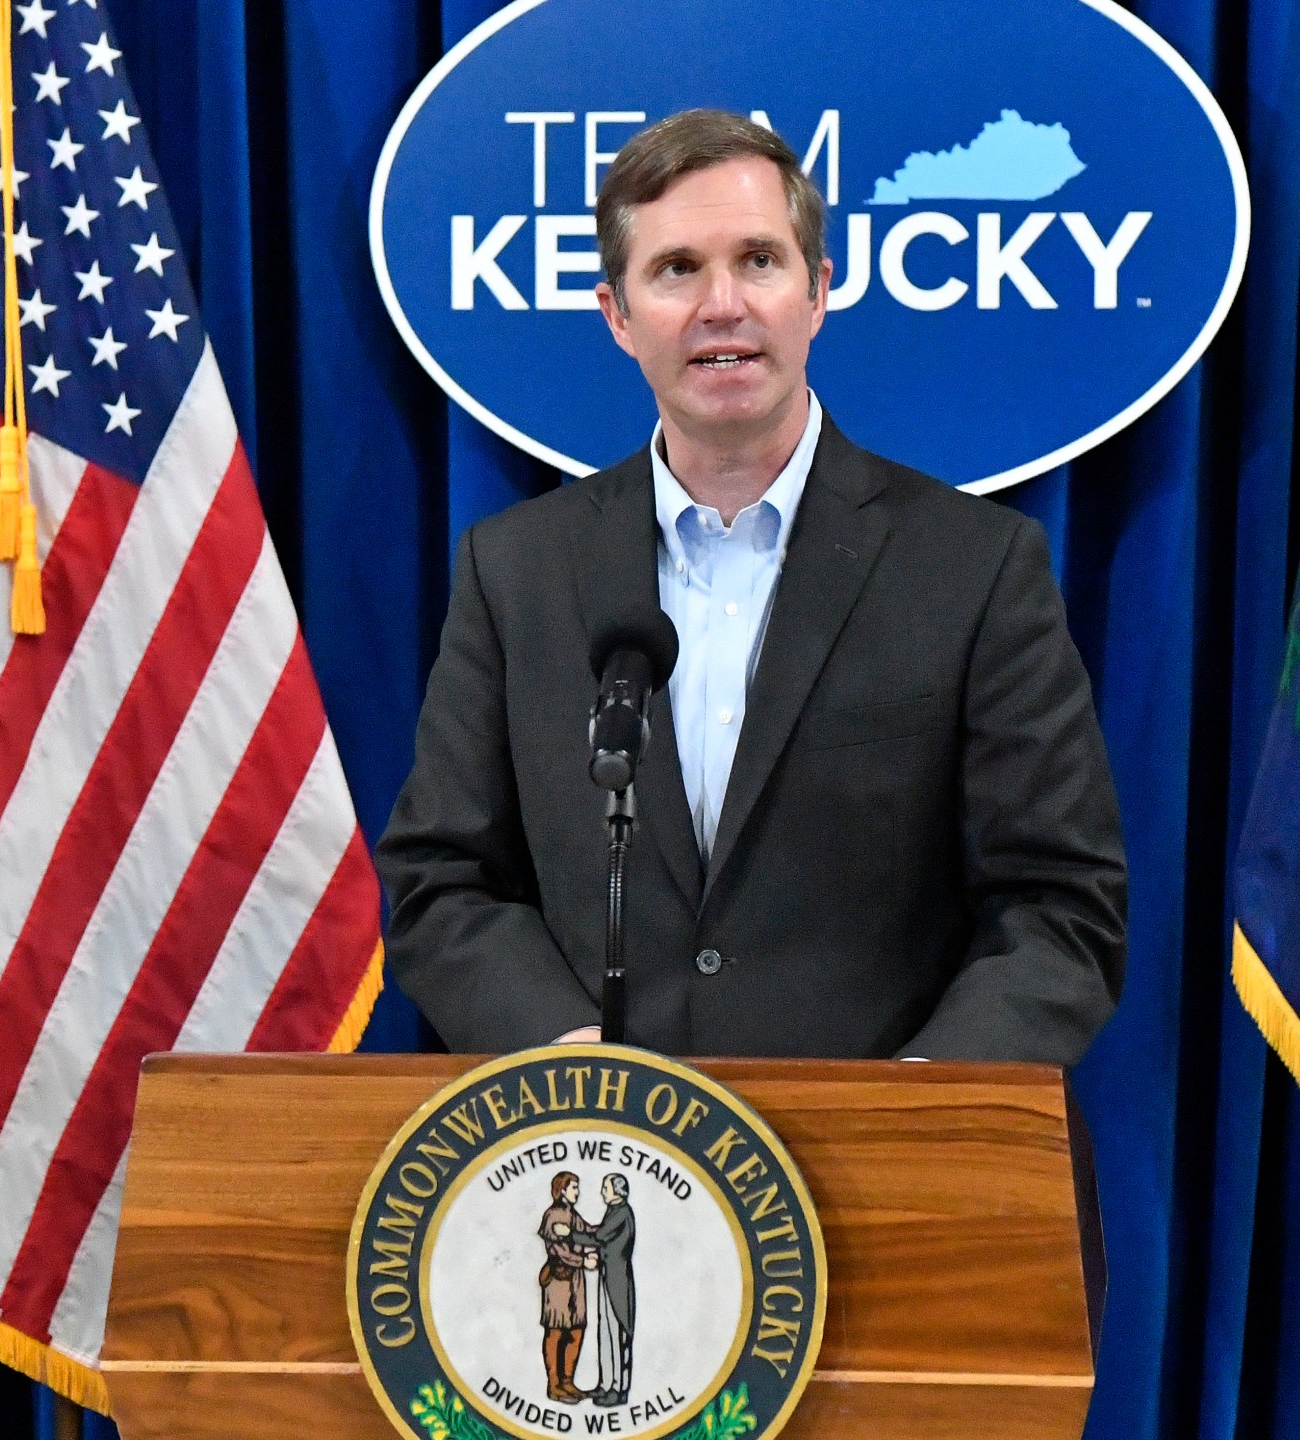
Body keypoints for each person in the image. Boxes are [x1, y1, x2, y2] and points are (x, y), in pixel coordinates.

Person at [376, 109, 1127, 1062]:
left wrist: (916, 1109)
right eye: (677, 268)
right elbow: (443, 880)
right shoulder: (515, 570)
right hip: (605, 1162)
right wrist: (576, 1066)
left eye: (760, 261)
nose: (721, 304)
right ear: (617, 315)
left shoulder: (977, 567)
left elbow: (1061, 904)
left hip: (881, 1175)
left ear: (817, 292)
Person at [538, 1172, 597, 1401]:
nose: (577, 1192)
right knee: (556, 1330)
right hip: (558, 1280)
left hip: (576, 1282)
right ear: (562, 1190)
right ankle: (554, 1386)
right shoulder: (553, 1215)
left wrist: (609, 1229)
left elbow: (586, 1231)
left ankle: (568, 1382)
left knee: (576, 1330)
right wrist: (583, 1261)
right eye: (574, 1188)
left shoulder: (572, 1214)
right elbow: (559, 1250)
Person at [583, 1174, 636, 1405]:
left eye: (605, 1187)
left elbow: (600, 1236)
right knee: (605, 1331)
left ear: (617, 1191)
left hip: (618, 1281)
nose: (603, 1191)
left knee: (617, 1334)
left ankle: (618, 1389)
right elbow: (607, 1241)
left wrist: (570, 1234)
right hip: (607, 1276)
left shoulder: (622, 1212)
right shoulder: (613, 1211)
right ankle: (605, 1384)